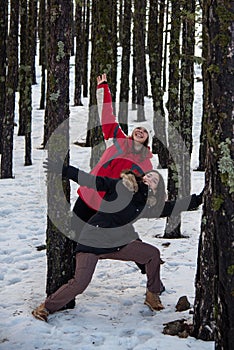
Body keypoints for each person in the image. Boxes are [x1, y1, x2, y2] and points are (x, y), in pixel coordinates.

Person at [32, 162, 204, 322]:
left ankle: (152, 295)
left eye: (154, 179)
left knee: (152, 254)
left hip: (117, 244)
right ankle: (46, 307)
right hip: (93, 239)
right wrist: (64, 169)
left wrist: (199, 199)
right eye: (148, 175)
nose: (149, 178)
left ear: (156, 188)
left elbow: (172, 207)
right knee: (80, 283)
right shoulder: (120, 185)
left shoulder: (144, 206)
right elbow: (92, 181)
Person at [72, 73, 153, 238]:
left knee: (94, 241)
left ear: (147, 139)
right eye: (138, 128)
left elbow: (141, 188)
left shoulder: (145, 163)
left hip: (108, 204)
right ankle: (72, 263)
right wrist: (103, 89)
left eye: (145, 131)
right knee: (74, 232)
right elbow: (107, 115)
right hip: (90, 193)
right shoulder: (117, 139)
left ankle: (148, 261)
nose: (140, 131)